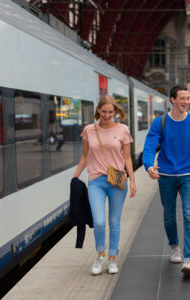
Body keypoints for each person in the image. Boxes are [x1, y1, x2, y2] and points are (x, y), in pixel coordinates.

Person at [142, 86, 190, 277]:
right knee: (169, 215)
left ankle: (188, 259)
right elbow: (150, 145)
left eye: (188, 98)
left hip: (189, 175)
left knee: (189, 215)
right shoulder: (160, 123)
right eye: (182, 98)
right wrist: (148, 165)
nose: (186, 102)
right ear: (172, 100)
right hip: (167, 175)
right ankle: (174, 248)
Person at [73, 95, 136, 275]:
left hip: (117, 181)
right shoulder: (89, 130)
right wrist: (75, 177)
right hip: (96, 181)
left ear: (115, 112)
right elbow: (85, 155)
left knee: (114, 221)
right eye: (104, 111)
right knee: (99, 221)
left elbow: (127, 157)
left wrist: (132, 180)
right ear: (98, 111)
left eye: (110, 112)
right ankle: (100, 255)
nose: (107, 115)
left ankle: (112, 258)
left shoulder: (123, 129)